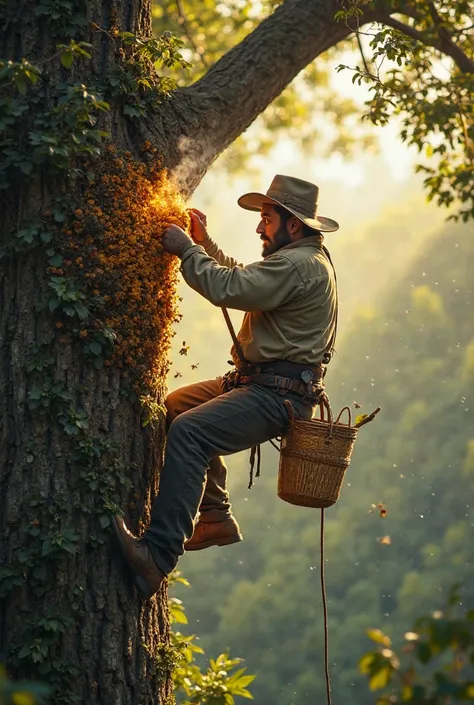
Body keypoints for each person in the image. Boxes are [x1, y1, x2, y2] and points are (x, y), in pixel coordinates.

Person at [112, 174, 339, 598]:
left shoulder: (297, 265)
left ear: (293, 224)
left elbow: (230, 286)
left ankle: (157, 557)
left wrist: (186, 250)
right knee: (178, 407)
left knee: (190, 430)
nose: (259, 227)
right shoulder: (303, 260)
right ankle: (214, 515)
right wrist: (204, 245)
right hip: (265, 386)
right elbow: (246, 278)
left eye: (267, 219)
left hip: (276, 396)